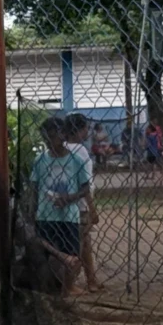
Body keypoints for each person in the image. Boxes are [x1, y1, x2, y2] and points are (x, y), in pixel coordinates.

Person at [31, 117, 89, 289]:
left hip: (68, 216)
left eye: (52, 137)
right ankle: (50, 290)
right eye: (45, 138)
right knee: (44, 254)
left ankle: (67, 291)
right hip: (45, 214)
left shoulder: (76, 160)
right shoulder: (40, 160)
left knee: (72, 256)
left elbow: (85, 187)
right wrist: (33, 210)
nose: (48, 142)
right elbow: (34, 187)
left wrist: (70, 198)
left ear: (63, 135)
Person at [62, 113, 103, 293]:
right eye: (85, 127)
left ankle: (91, 280)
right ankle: (69, 283)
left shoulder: (60, 147)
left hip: (65, 202)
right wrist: (93, 209)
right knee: (77, 244)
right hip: (80, 205)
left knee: (84, 242)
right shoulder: (80, 150)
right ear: (78, 130)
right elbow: (84, 184)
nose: (87, 131)